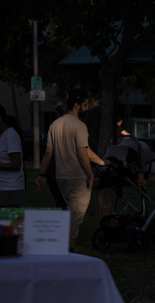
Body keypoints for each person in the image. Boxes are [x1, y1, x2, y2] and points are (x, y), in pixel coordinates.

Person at [35, 89, 104, 250]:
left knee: (68, 214)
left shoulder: (55, 124)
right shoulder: (80, 126)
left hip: (61, 177)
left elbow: (48, 153)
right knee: (75, 218)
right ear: (76, 105)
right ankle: (67, 249)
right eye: (85, 105)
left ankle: (59, 244)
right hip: (76, 177)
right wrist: (90, 174)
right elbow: (83, 153)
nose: (87, 108)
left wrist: (41, 174)